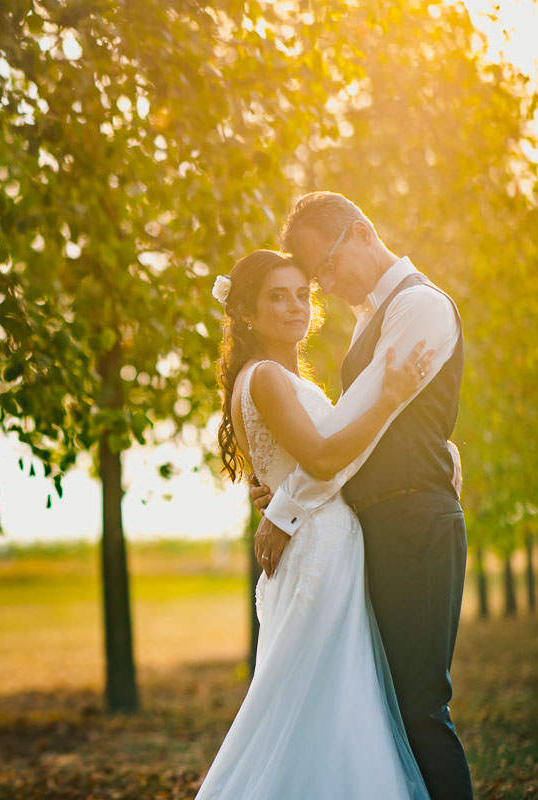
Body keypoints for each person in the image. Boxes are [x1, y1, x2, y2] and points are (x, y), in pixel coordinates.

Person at [251, 191, 472, 799]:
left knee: (422, 706)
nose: (324, 285)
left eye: (323, 268)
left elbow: (356, 431)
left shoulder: (418, 307)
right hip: (383, 525)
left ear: (360, 232)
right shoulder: (371, 316)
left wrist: (286, 508)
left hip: (415, 525)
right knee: (392, 707)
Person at [195, 248, 433, 799]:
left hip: (320, 545)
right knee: (322, 698)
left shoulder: (272, 378)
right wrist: (390, 400)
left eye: (302, 294)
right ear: (248, 314)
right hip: (316, 550)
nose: (295, 306)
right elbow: (326, 460)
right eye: (277, 296)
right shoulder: (269, 379)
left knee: (322, 697)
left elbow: (310, 464)